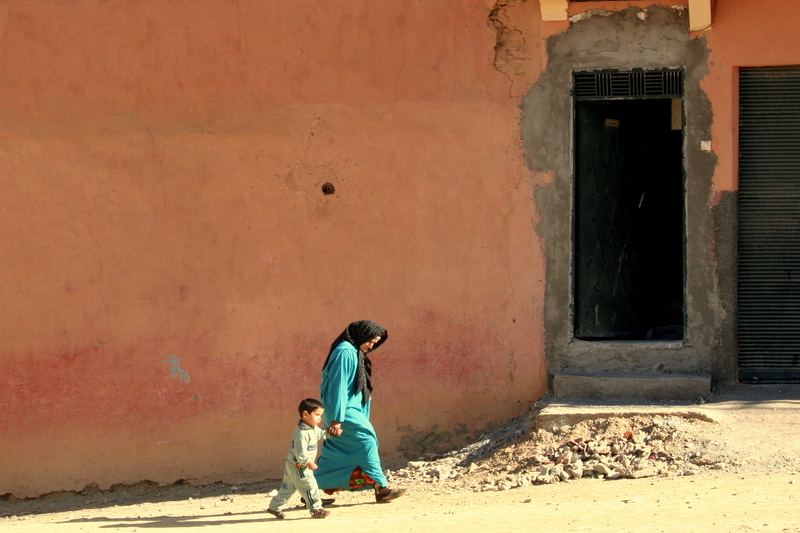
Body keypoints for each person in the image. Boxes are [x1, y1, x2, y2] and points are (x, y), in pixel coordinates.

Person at [314, 320, 407, 503]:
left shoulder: (354, 351)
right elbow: (338, 386)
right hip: (344, 412)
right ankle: (381, 488)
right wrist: (337, 419)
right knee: (367, 441)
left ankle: (312, 491)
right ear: (362, 335)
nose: (372, 346)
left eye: (375, 343)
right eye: (370, 341)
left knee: (337, 451)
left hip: (348, 411)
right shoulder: (345, 352)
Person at [266, 398, 337, 519]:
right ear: (305, 414)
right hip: (300, 466)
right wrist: (308, 462)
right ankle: (315, 509)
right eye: (317, 415)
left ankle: (274, 507)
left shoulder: (313, 428)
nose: (320, 418)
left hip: (293, 465)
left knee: (288, 488)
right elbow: (300, 453)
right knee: (310, 486)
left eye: (321, 415)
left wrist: (330, 432)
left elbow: (320, 434)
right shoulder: (301, 434)